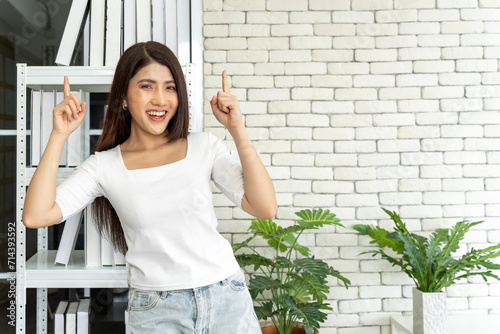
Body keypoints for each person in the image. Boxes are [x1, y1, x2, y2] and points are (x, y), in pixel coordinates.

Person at [22, 41, 277, 333]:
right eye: (147, 86)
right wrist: (59, 135)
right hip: (157, 309)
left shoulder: (203, 146)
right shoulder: (104, 166)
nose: (160, 99)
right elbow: (35, 216)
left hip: (226, 298)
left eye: (170, 88)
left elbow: (264, 207)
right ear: (124, 98)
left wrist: (237, 129)